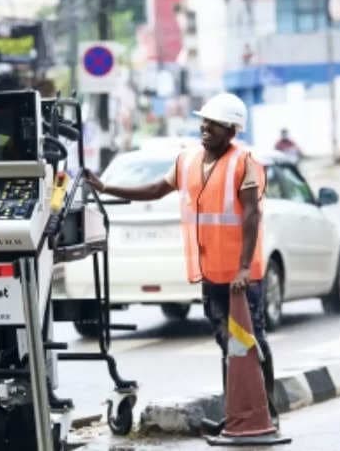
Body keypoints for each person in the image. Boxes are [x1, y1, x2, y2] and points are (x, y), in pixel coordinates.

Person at [84, 92, 279, 430]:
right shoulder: (187, 160)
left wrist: (245, 267)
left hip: (241, 276)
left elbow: (251, 215)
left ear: (232, 130)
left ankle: (267, 413)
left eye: (214, 124)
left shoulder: (244, 161)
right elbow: (156, 190)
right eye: (204, 122)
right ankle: (237, 413)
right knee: (227, 345)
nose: (205, 128)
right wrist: (106, 188)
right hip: (211, 274)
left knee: (252, 342)